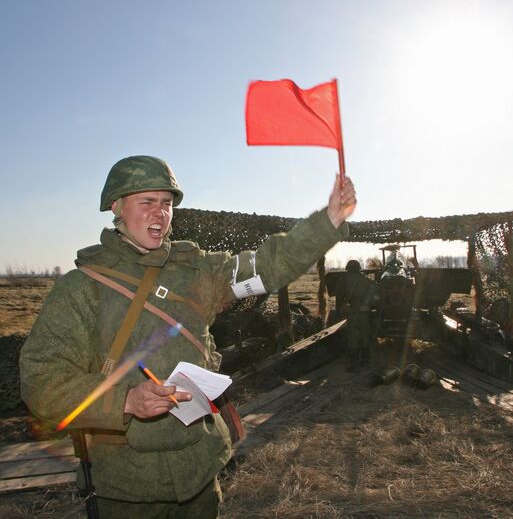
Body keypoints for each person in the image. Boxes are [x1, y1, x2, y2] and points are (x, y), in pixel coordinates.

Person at [20, 155, 356, 518]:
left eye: (166, 204)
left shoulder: (197, 272)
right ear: (116, 206)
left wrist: (329, 221)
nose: (160, 213)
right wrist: (126, 401)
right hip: (127, 488)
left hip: (199, 477)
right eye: (146, 202)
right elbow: (41, 381)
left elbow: (268, 265)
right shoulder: (83, 287)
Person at [335, 259, 377, 371]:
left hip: (352, 311)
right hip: (364, 311)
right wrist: (369, 305)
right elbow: (375, 290)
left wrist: (339, 310)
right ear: (359, 268)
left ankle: (354, 364)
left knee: (353, 336)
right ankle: (365, 362)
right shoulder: (366, 279)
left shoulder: (344, 280)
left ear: (348, 268)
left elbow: (339, 297)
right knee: (365, 334)